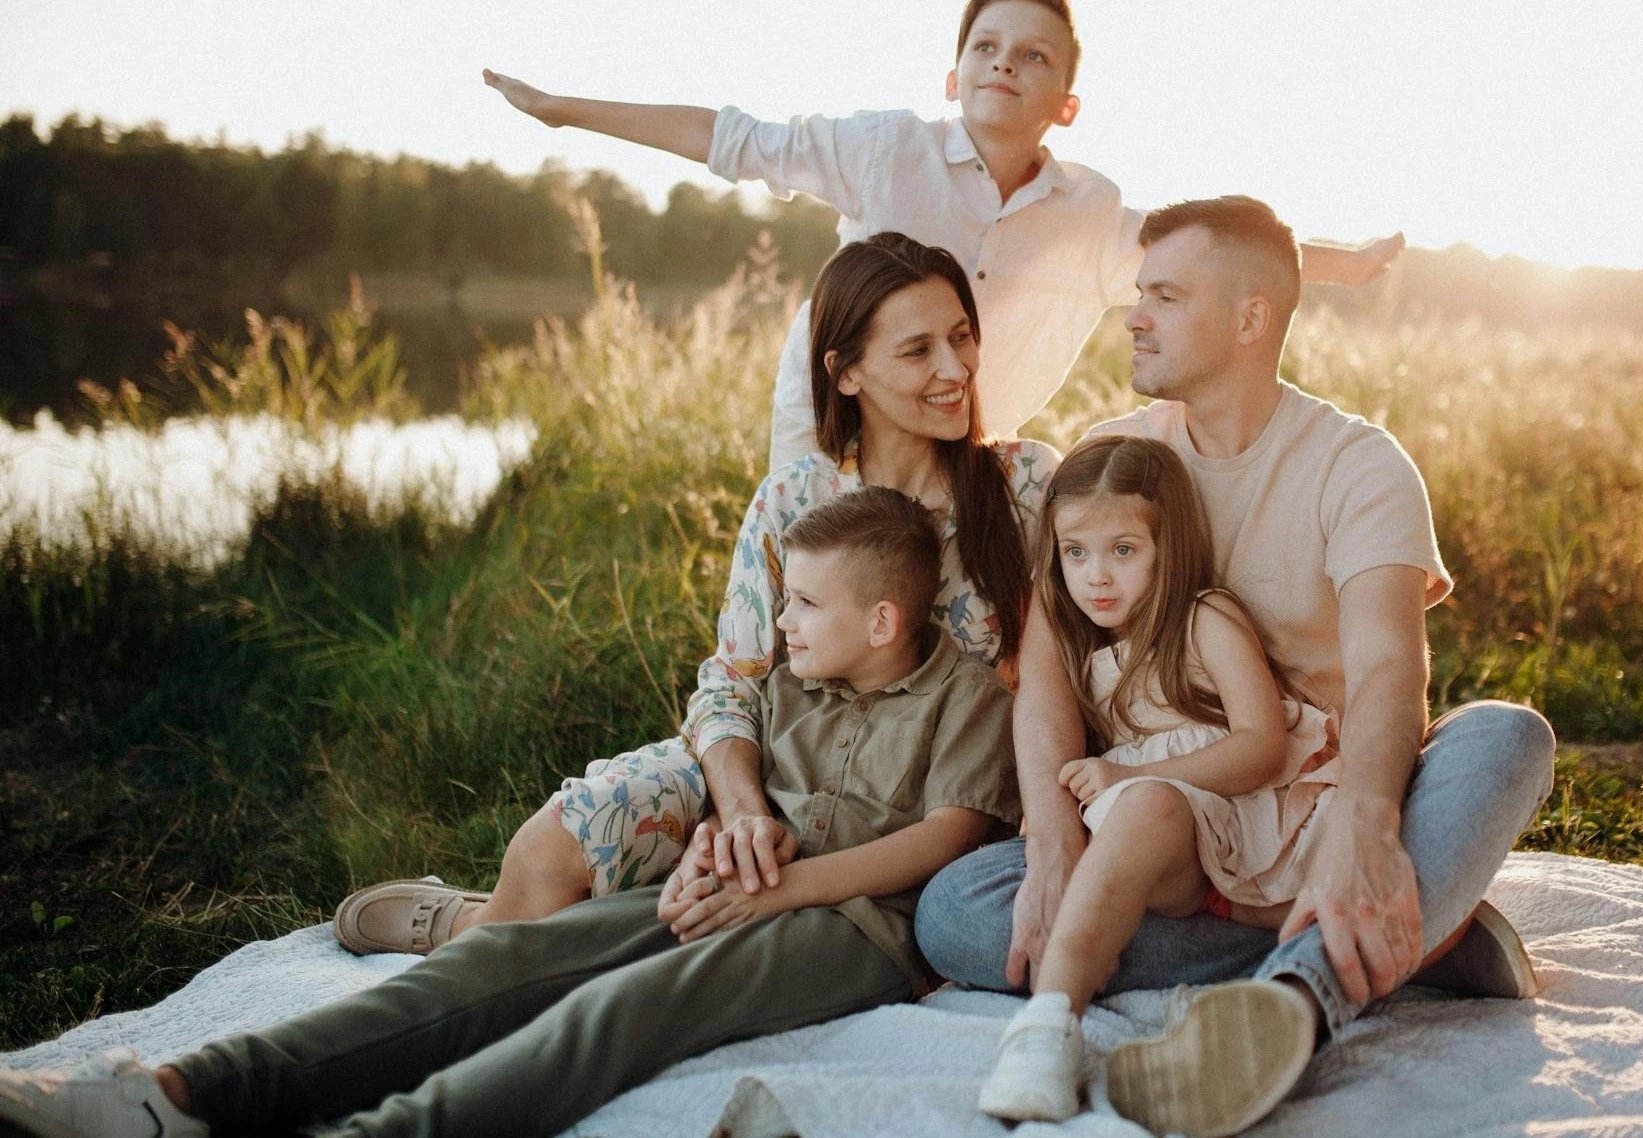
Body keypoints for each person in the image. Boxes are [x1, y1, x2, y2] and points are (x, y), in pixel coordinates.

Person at [0, 486, 1024, 1138]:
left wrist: (783, 888)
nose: (782, 621)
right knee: (505, 959)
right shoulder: (795, 685)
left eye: (802, 602)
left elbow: (943, 839)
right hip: (734, 891)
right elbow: (742, 783)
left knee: (613, 1011)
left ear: (882, 619)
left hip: (854, 930)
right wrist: (723, 839)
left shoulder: (968, 695)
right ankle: (186, 1089)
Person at [914, 195, 1558, 1138]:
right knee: (956, 912)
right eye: (1139, 292)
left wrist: (1369, 824)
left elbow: (1390, 672)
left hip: (1319, 796)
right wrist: (1051, 839)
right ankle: (1413, 935)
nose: (1133, 315)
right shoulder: (1113, 459)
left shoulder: (1359, 465)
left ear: (1251, 318)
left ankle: (1299, 996)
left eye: (1165, 296)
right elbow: (1047, 673)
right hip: (1174, 820)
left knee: (1506, 738)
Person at [330, 231, 1057, 955]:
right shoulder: (793, 499)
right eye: (917, 349)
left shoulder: (1026, 488)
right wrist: (741, 813)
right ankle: (473, 925)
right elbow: (732, 684)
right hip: (777, 766)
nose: (955, 367)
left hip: (928, 792)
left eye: (962, 337)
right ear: (845, 374)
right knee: (563, 843)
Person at [482, 0, 1406, 469]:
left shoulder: (1089, 211)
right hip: (833, 426)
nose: (1006, 61)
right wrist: (562, 111)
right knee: (818, 604)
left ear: (1067, 103)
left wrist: (1347, 267)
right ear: (955, 78)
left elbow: (1209, 256)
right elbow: (728, 138)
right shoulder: (884, 149)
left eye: (1033, 55)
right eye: (987, 48)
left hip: (968, 449)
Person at [975, 435, 1344, 1123]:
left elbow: (1261, 745)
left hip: (1257, 817)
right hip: (1183, 861)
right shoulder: (1085, 650)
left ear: (1167, 547)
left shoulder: (1205, 618)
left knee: (1147, 805)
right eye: (1075, 553)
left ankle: (1050, 1020)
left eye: (1123, 550)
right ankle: (1046, 1029)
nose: (1097, 577)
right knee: (965, 901)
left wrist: (1131, 772)